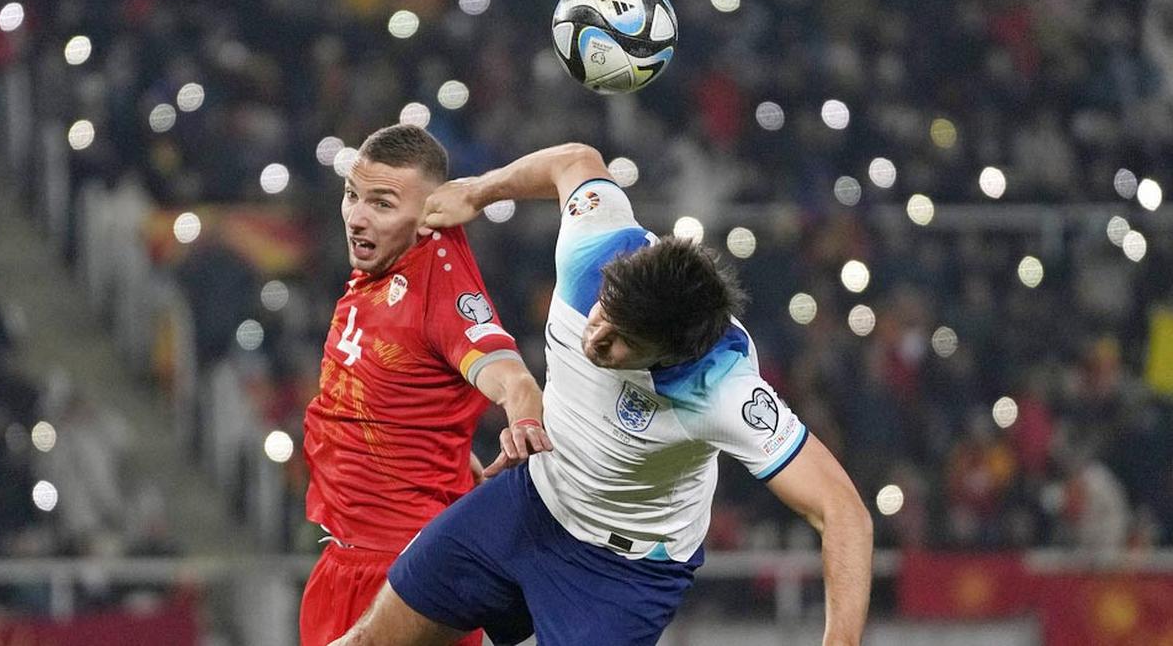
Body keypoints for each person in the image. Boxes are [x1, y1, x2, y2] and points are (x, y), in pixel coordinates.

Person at [332, 143, 874, 646]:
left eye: (621, 344)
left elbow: (843, 513)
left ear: (670, 352)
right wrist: (478, 191)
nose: (595, 338)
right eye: (602, 314)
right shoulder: (595, 245)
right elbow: (576, 160)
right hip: (529, 502)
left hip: (621, 575)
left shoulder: (722, 388)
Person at [299, 124, 552, 646]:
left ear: (430, 214)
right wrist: (451, 455)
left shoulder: (440, 286)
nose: (358, 217)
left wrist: (525, 420)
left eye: (383, 204)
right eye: (352, 196)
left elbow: (513, 378)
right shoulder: (379, 269)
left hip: (410, 575)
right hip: (343, 562)